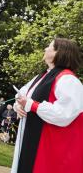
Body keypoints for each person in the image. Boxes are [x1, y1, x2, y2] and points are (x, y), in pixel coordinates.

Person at [11, 38, 83, 173]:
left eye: (49, 47)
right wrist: (18, 106)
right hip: (31, 139)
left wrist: (32, 105)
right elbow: (22, 94)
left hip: (51, 149)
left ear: (59, 53)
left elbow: (64, 114)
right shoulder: (43, 76)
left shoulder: (68, 80)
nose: (45, 49)